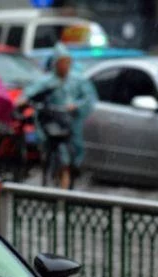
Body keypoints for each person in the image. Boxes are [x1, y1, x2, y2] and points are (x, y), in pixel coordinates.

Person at [21, 43, 96, 189]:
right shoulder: (47, 81)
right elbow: (32, 92)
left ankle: (69, 178)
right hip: (53, 123)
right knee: (59, 156)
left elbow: (89, 98)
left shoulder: (78, 80)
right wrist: (24, 100)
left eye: (67, 62)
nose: (64, 66)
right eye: (61, 62)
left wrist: (76, 106)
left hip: (72, 124)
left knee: (74, 153)